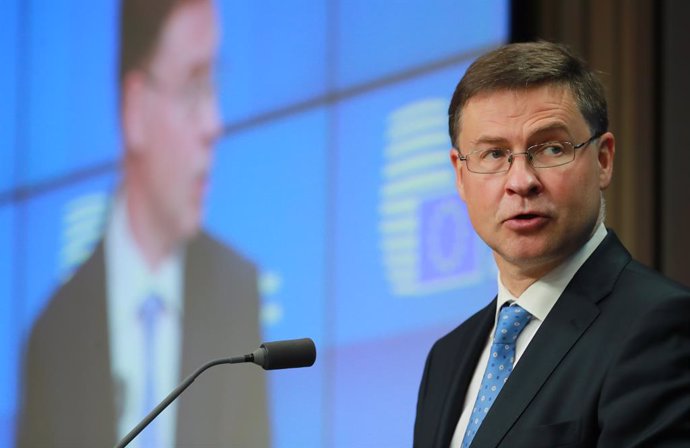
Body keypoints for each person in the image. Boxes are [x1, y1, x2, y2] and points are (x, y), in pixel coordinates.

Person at [413, 41, 690, 448]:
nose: (520, 180)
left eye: (551, 148)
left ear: (603, 160)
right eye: (493, 153)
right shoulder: (447, 357)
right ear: (460, 174)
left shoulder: (659, 325)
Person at [17, 0, 269, 446]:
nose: (214, 124)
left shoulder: (237, 291)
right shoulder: (52, 337)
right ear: (135, 109)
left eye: (214, 85)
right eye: (194, 87)